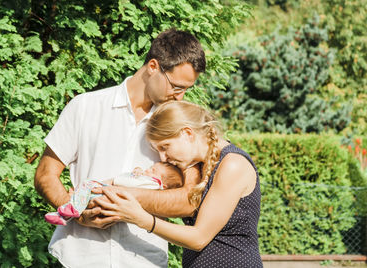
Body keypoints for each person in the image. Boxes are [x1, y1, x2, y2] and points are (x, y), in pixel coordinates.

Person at [34, 29, 206, 267]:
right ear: (153, 66)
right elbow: (45, 174)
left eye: (186, 89)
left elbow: (189, 200)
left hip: (144, 259)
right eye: (176, 86)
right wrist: (79, 213)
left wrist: (120, 202)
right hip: (80, 258)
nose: (180, 97)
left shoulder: (180, 125)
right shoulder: (85, 107)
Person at [96, 101, 263, 268]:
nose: (163, 158)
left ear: (187, 133)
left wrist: (141, 219)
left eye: (165, 147)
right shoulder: (198, 166)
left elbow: (199, 238)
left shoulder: (233, 165)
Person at [44, 162, 183, 226]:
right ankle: (64, 215)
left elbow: (129, 182)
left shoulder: (153, 185)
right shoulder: (151, 184)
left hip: (109, 194)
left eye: (153, 171)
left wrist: (132, 176)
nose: (148, 171)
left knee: (87, 184)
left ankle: (70, 210)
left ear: (163, 184)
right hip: (111, 198)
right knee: (84, 198)